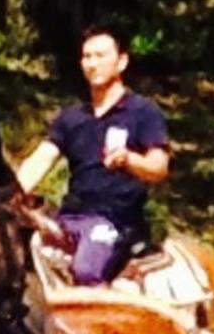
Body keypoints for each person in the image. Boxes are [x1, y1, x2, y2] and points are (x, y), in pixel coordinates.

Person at [14, 26, 170, 285]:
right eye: (87, 57)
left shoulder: (142, 112)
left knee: (86, 270)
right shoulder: (72, 118)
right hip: (68, 219)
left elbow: (159, 167)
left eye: (100, 56)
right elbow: (41, 160)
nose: (92, 64)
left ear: (121, 62)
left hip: (116, 222)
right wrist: (9, 194)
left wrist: (129, 160)